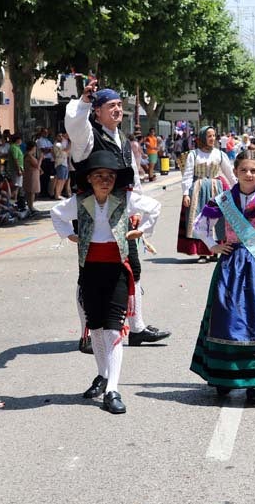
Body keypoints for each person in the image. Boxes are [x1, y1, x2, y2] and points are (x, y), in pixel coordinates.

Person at [50, 151, 161, 414]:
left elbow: (154, 208)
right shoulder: (80, 201)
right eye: (99, 176)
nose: (104, 181)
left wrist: (142, 230)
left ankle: (113, 389)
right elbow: (56, 213)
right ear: (89, 179)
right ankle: (102, 375)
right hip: (89, 270)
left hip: (116, 269)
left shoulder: (124, 198)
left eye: (110, 177)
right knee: (96, 328)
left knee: (113, 330)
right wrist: (69, 235)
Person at [65, 80, 172, 348]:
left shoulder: (123, 139)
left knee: (131, 269)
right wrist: (84, 101)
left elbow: (132, 177)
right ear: (97, 111)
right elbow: (75, 125)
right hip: (93, 213)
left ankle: (137, 328)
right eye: (111, 106)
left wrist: (137, 207)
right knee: (88, 274)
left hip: (122, 214)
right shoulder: (87, 138)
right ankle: (87, 334)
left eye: (120, 106)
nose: (117, 110)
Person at [189, 150, 255, 404]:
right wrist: (213, 245)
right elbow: (200, 224)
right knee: (227, 317)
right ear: (235, 172)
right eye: (243, 170)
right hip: (231, 263)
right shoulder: (224, 199)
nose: (248, 175)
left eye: (253, 171)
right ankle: (223, 376)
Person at [178, 125, 236, 262]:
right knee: (199, 219)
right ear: (203, 137)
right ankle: (202, 252)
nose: (212, 138)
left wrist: (238, 189)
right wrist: (186, 193)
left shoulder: (220, 154)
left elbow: (230, 174)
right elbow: (187, 175)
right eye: (209, 136)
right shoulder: (193, 154)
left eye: (214, 136)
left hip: (216, 188)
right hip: (198, 189)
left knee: (217, 220)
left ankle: (215, 250)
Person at [23, 140, 42, 213]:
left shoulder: (30, 156)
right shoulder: (29, 156)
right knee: (31, 191)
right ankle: (30, 206)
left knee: (31, 191)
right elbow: (37, 165)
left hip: (33, 174)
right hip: (31, 175)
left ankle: (30, 205)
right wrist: (40, 158)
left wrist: (40, 170)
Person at [52, 133, 71, 200]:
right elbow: (66, 150)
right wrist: (71, 142)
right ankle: (57, 195)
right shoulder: (57, 144)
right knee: (60, 180)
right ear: (56, 137)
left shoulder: (62, 143)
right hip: (60, 164)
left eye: (61, 136)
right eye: (59, 136)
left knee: (63, 180)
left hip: (64, 163)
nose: (61, 137)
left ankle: (59, 194)